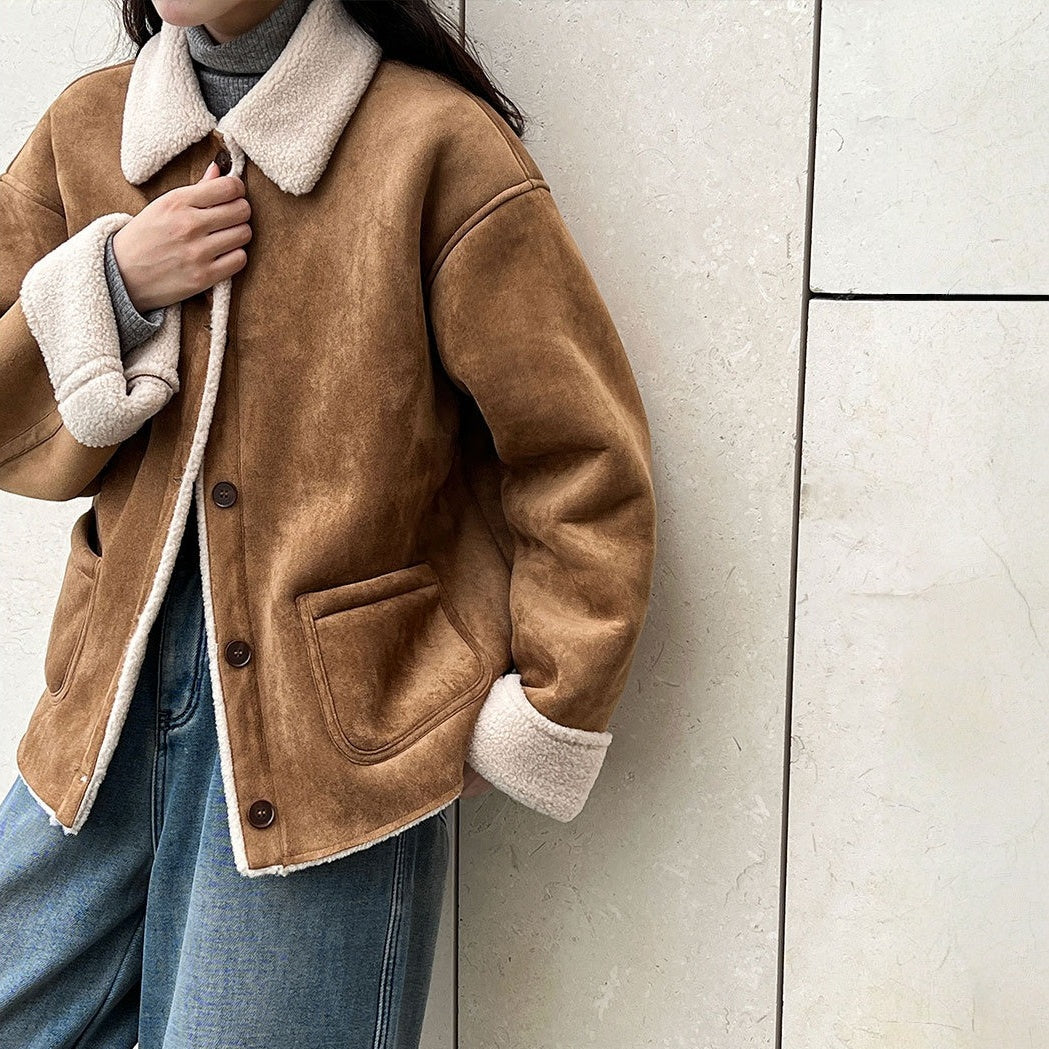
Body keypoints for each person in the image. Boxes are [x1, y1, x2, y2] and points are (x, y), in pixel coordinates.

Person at [0, 0, 658, 1046]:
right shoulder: (87, 133)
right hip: (101, 724)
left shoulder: (431, 146)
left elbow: (579, 457)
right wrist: (115, 284)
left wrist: (538, 705)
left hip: (331, 757)